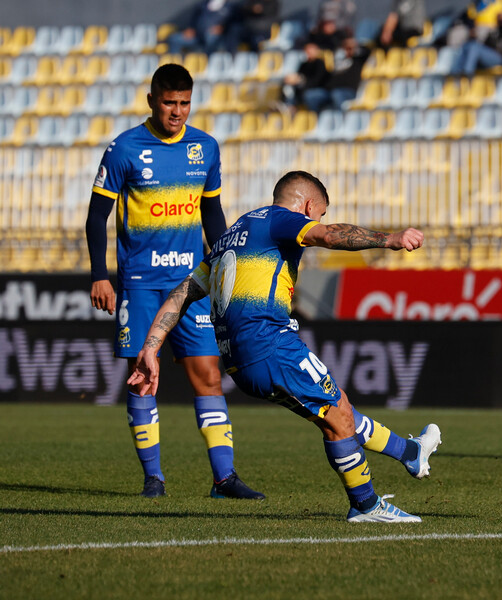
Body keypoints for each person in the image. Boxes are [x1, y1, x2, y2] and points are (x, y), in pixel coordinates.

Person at [127, 170, 442, 522]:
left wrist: (150, 348)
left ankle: (410, 452)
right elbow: (329, 235)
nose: (317, 220)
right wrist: (390, 239)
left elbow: (182, 292)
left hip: (237, 359)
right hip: (268, 341)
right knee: (337, 413)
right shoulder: (281, 219)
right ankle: (366, 505)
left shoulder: (231, 236)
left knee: (335, 412)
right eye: (318, 212)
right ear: (308, 206)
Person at [85, 64, 265, 499]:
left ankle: (224, 479)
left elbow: (212, 212)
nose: (178, 111)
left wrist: (223, 264)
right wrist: (100, 277)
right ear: (152, 100)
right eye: (170, 102)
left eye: (185, 103)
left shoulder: (205, 147)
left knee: (208, 374)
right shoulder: (124, 148)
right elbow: (96, 217)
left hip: (193, 284)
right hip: (141, 283)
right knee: (144, 376)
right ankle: (154, 478)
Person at [304, 36, 370, 112]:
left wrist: (354, 47)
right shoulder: (334, 60)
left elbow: (369, 50)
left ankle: (343, 120)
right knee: (311, 95)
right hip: (329, 91)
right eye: (345, 46)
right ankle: (317, 120)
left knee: (337, 94)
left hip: (347, 91)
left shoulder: (358, 60)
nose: (347, 49)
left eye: (349, 47)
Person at [449, 10, 502, 77]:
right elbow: (485, 42)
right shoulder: (495, 29)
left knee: (474, 47)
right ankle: (456, 73)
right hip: (487, 55)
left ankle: (467, 75)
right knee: (468, 45)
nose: (500, 18)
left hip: (500, 57)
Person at [165, 0, 242, 55]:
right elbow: (194, 18)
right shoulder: (203, 4)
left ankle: (206, 61)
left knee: (212, 37)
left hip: (216, 40)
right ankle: (174, 64)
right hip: (197, 36)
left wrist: (222, 27)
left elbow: (234, 23)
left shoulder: (231, 8)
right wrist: (190, 28)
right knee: (174, 39)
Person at [282, 42, 330, 109]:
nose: (308, 53)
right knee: (288, 88)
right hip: (305, 90)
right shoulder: (303, 65)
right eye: (307, 50)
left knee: (308, 95)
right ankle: (289, 106)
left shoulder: (321, 64)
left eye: (311, 50)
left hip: (320, 90)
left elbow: (317, 81)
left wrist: (301, 80)